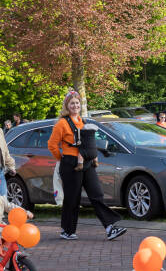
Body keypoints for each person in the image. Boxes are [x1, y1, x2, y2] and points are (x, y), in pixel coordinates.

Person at [47, 90, 127, 241]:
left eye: (77, 103)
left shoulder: (84, 122)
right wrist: (62, 158)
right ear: (66, 105)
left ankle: (110, 227)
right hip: (70, 163)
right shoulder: (62, 123)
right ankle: (67, 230)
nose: (75, 105)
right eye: (72, 103)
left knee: (97, 194)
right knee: (72, 198)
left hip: (88, 163)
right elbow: (52, 144)